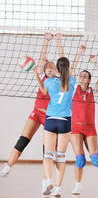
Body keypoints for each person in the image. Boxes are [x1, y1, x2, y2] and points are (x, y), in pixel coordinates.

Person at [0, 33, 56, 177]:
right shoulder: (42, 75)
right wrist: (46, 40)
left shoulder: (57, 82)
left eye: (52, 67)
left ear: (56, 70)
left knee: (48, 150)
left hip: (49, 116)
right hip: (36, 113)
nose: (49, 68)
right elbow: (42, 58)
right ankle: (7, 166)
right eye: (47, 67)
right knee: (23, 140)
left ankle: (47, 180)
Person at [34, 44, 86, 197]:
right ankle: (58, 188)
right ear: (68, 68)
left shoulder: (49, 82)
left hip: (51, 119)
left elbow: (43, 91)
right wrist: (79, 53)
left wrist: (36, 75)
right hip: (65, 121)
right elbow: (70, 66)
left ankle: (48, 180)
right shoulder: (72, 81)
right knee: (61, 156)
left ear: (56, 67)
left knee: (48, 154)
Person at [71, 55, 98, 195]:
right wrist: (80, 53)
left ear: (89, 80)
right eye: (81, 75)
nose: (82, 77)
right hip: (75, 128)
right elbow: (71, 69)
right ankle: (77, 185)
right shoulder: (73, 89)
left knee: (95, 158)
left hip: (89, 128)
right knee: (80, 159)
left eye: (85, 76)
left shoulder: (92, 91)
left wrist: (94, 61)